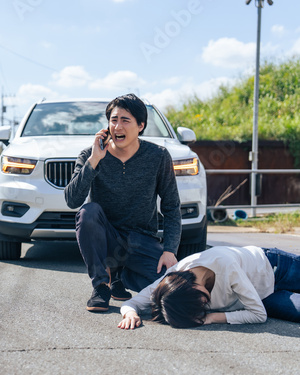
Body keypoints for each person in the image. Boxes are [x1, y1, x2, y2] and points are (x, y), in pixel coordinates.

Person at [64, 93, 182, 312]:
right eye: (114, 120)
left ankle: (121, 276)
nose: (118, 126)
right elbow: (73, 200)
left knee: (171, 290)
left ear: (141, 126)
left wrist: (170, 250)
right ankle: (101, 285)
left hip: (141, 241)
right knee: (87, 212)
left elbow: (171, 206)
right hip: (106, 238)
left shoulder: (158, 156)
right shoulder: (90, 155)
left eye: (125, 120)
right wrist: (94, 160)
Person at [118, 245, 300, 329]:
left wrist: (212, 317)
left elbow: (258, 316)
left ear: (191, 286)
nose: (204, 305)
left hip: (275, 267)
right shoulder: (171, 284)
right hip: (263, 298)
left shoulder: (225, 265)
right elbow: (132, 303)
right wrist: (130, 314)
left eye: (198, 303)